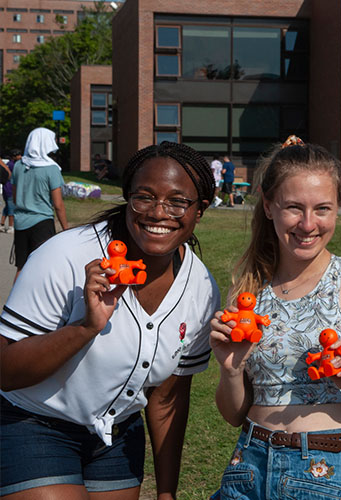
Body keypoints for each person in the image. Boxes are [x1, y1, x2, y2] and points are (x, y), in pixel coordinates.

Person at [0, 141, 221, 499]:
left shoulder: (201, 288)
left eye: (178, 201)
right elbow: (6, 372)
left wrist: (167, 492)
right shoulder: (64, 257)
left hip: (116, 434)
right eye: (144, 197)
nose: (158, 212)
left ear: (200, 210)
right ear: (127, 197)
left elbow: (167, 398)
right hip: (33, 423)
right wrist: (87, 327)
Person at [209, 139, 341, 500]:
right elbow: (233, 414)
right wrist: (231, 371)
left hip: (325, 467)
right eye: (293, 207)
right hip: (248, 463)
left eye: (322, 209)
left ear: (337, 207)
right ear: (268, 205)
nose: (308, 224)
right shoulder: (248, 293)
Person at [11, 128, 69, 278]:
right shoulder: (51, 169)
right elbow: (58, 204)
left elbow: (16, 198)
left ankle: (14, 300)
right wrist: (66, 228)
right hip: (42, 223)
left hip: (21, 222)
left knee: (21, 267)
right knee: (42, 267)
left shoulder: (19, 165)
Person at [0, 151, 17, 233]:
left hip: (5, 188)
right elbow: (12, 175)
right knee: (11, 208)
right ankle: (11, 226)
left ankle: (2, 224)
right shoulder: (12, 165)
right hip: (10, 189)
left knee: (7, 207)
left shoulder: (7, 164)